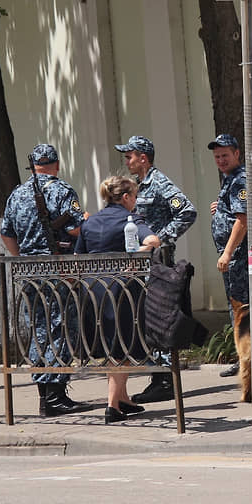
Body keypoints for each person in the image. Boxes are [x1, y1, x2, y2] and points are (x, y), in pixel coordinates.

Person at [0, 144, 92, 416]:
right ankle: (55, 394)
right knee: (61, 327)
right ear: (57, 164)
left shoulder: (17, 193)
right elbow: (75, 228)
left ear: (33, 167)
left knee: (39, 328)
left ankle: (46, 394)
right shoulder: (62, 190)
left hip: (30, 271)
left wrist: (22, 257)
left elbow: (6, 233)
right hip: (57, 268)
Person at [114, 135, 197, 403]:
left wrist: (161, 237)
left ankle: (163, 380)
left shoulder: (159, 182)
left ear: (143, 158)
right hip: (141, 262)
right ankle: (159, 375)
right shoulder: (137, 185)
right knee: (147, 318)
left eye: (130, 156)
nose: (127, 161)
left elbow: (187, 211)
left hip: (158, 262)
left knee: (159, 317)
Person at [74, 176, 161, 423]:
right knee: (121, 346)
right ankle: (112, 405)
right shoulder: (130, 219)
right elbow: (152, 241)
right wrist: (135, 257)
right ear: (125, 198)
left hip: (91, 290)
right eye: (134, 196)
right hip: (121, 290)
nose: (135, 201)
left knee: (110, 343)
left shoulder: (91, 221)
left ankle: (123, 398)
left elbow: (79, 254)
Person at [208, 134, 250, 378]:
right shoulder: (230, 180)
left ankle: (247, 359)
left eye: (225, 155)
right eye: (217, 157)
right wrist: (220, 207)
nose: (220, 160)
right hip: (233, 257)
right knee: (237, 308)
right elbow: (234, 211)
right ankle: (244, 357)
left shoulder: (240, 180)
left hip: (239, 257)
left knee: (242, 308)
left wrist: (227, 252)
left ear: (236, 153)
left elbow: (243, 220)